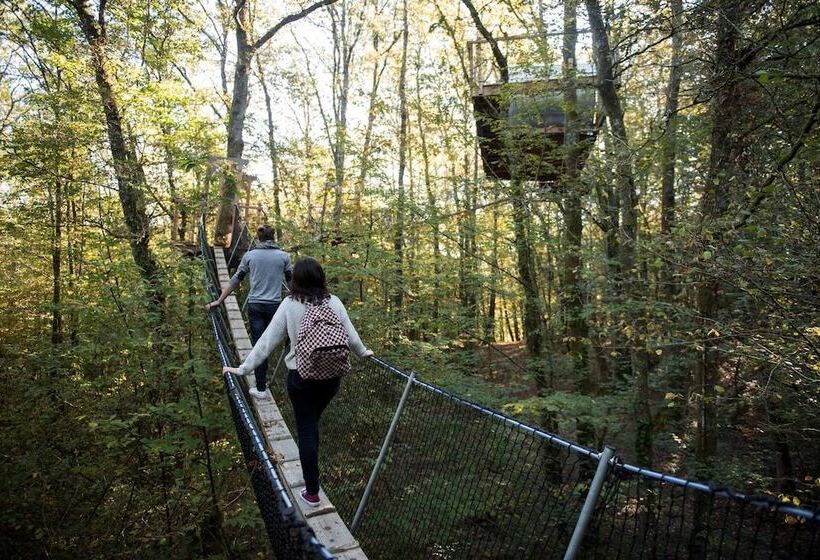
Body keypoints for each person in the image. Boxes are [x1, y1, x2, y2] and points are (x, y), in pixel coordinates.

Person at [223, 257, 373, 508]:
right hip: (331, 378)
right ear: (321, 278)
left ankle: (312, 493)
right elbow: (350, 335)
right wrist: (364, 352)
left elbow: (267, 341)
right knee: (311, 425)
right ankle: (312, 478)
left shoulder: (290, 304)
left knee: (306, 429)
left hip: (301, 378)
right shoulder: (334, 301)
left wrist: (243, 368)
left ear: (296, 280)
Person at [206, 225, 292, 395]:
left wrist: (219, 300)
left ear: (259, 238)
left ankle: (260, 387)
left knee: (259, 345)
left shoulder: (250, 256)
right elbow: (291, 282)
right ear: (273, 237)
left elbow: (236, 279)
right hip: (275, 307)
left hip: (255, 306)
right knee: (277, 342)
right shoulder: (284, 257)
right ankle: (275, 381)